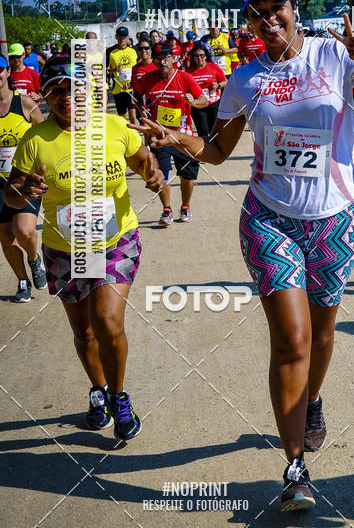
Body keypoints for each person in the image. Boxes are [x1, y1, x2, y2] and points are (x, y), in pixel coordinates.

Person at [131, 0, 354, 512]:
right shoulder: (246, 78)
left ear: (293, 9)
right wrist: (172, 135)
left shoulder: (334, 55)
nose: (268, 20)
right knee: (292, 340)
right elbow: (217, 152)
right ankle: (295, 468)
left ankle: (312, 401)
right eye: (257, 13)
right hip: (270, 219)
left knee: (324, 334)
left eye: (276, 9)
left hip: (335, 218)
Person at [4, 56, 163, 440]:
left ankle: (118, 395)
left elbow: (144, 161)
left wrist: (153, 174)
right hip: (65, 248)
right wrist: (21, 193)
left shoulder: (114, 127)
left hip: (115, 239)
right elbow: (10, 196)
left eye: (71, 89)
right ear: (45, 98)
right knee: (85, 332)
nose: (63, 98)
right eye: (54, 91)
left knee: (107, 321)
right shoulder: (35, 139)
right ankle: (98, 390)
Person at [138, 43, 207, 224]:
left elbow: (204, 100)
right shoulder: (147, 79)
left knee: (187, 176)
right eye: (159, 58)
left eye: (167, 57)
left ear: (173, 59)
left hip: (182, 136)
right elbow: (137, 97)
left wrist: (193, 102)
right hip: (159, 135)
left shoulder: (184, 77)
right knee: (162, 174)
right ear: (153, 61)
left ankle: (185, 206)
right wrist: (142, 111)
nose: (163, 62)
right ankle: (166, 210)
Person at [0, 54, 46, 301]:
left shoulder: (25, 103)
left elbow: (45, 133)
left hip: (24, 178)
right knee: (6, 238)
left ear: (7, 72)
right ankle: (22, 282)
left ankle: (34, 259)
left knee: (24, 229)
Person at [186, 44, 226, 137]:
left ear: (206, 56)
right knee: (203, 131)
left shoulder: (214, 67)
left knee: (215, 131)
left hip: (214, 103)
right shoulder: (189, 71)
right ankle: (205, 150)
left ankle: (217, 150)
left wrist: (218, 85)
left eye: (202, 55)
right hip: (198, 104)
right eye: (196, 56)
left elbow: (225, 81)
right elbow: (185, 87)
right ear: (193, 57)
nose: (199, 58)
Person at [107, 25, 138, 124]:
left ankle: (136, 137)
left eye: (124, 36)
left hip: (132, 88)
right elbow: (103, 69)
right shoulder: (110, 51)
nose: (122, 38)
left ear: (128, 37)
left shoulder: (134, 50)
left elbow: (140, 66)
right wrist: (113, 70)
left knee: (133, 116)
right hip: (118, 89)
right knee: (122, 118)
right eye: (120, 36)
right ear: (116, 37)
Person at [131, 39, 156, 114]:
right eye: (140, 49)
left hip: (157, 104)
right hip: (141, 106)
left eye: (146, 48)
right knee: (144, 125)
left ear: (151, 50)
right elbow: (135, 88)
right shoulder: (135, 68)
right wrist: (141, 109)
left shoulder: (157, 65)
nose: (143, 50)